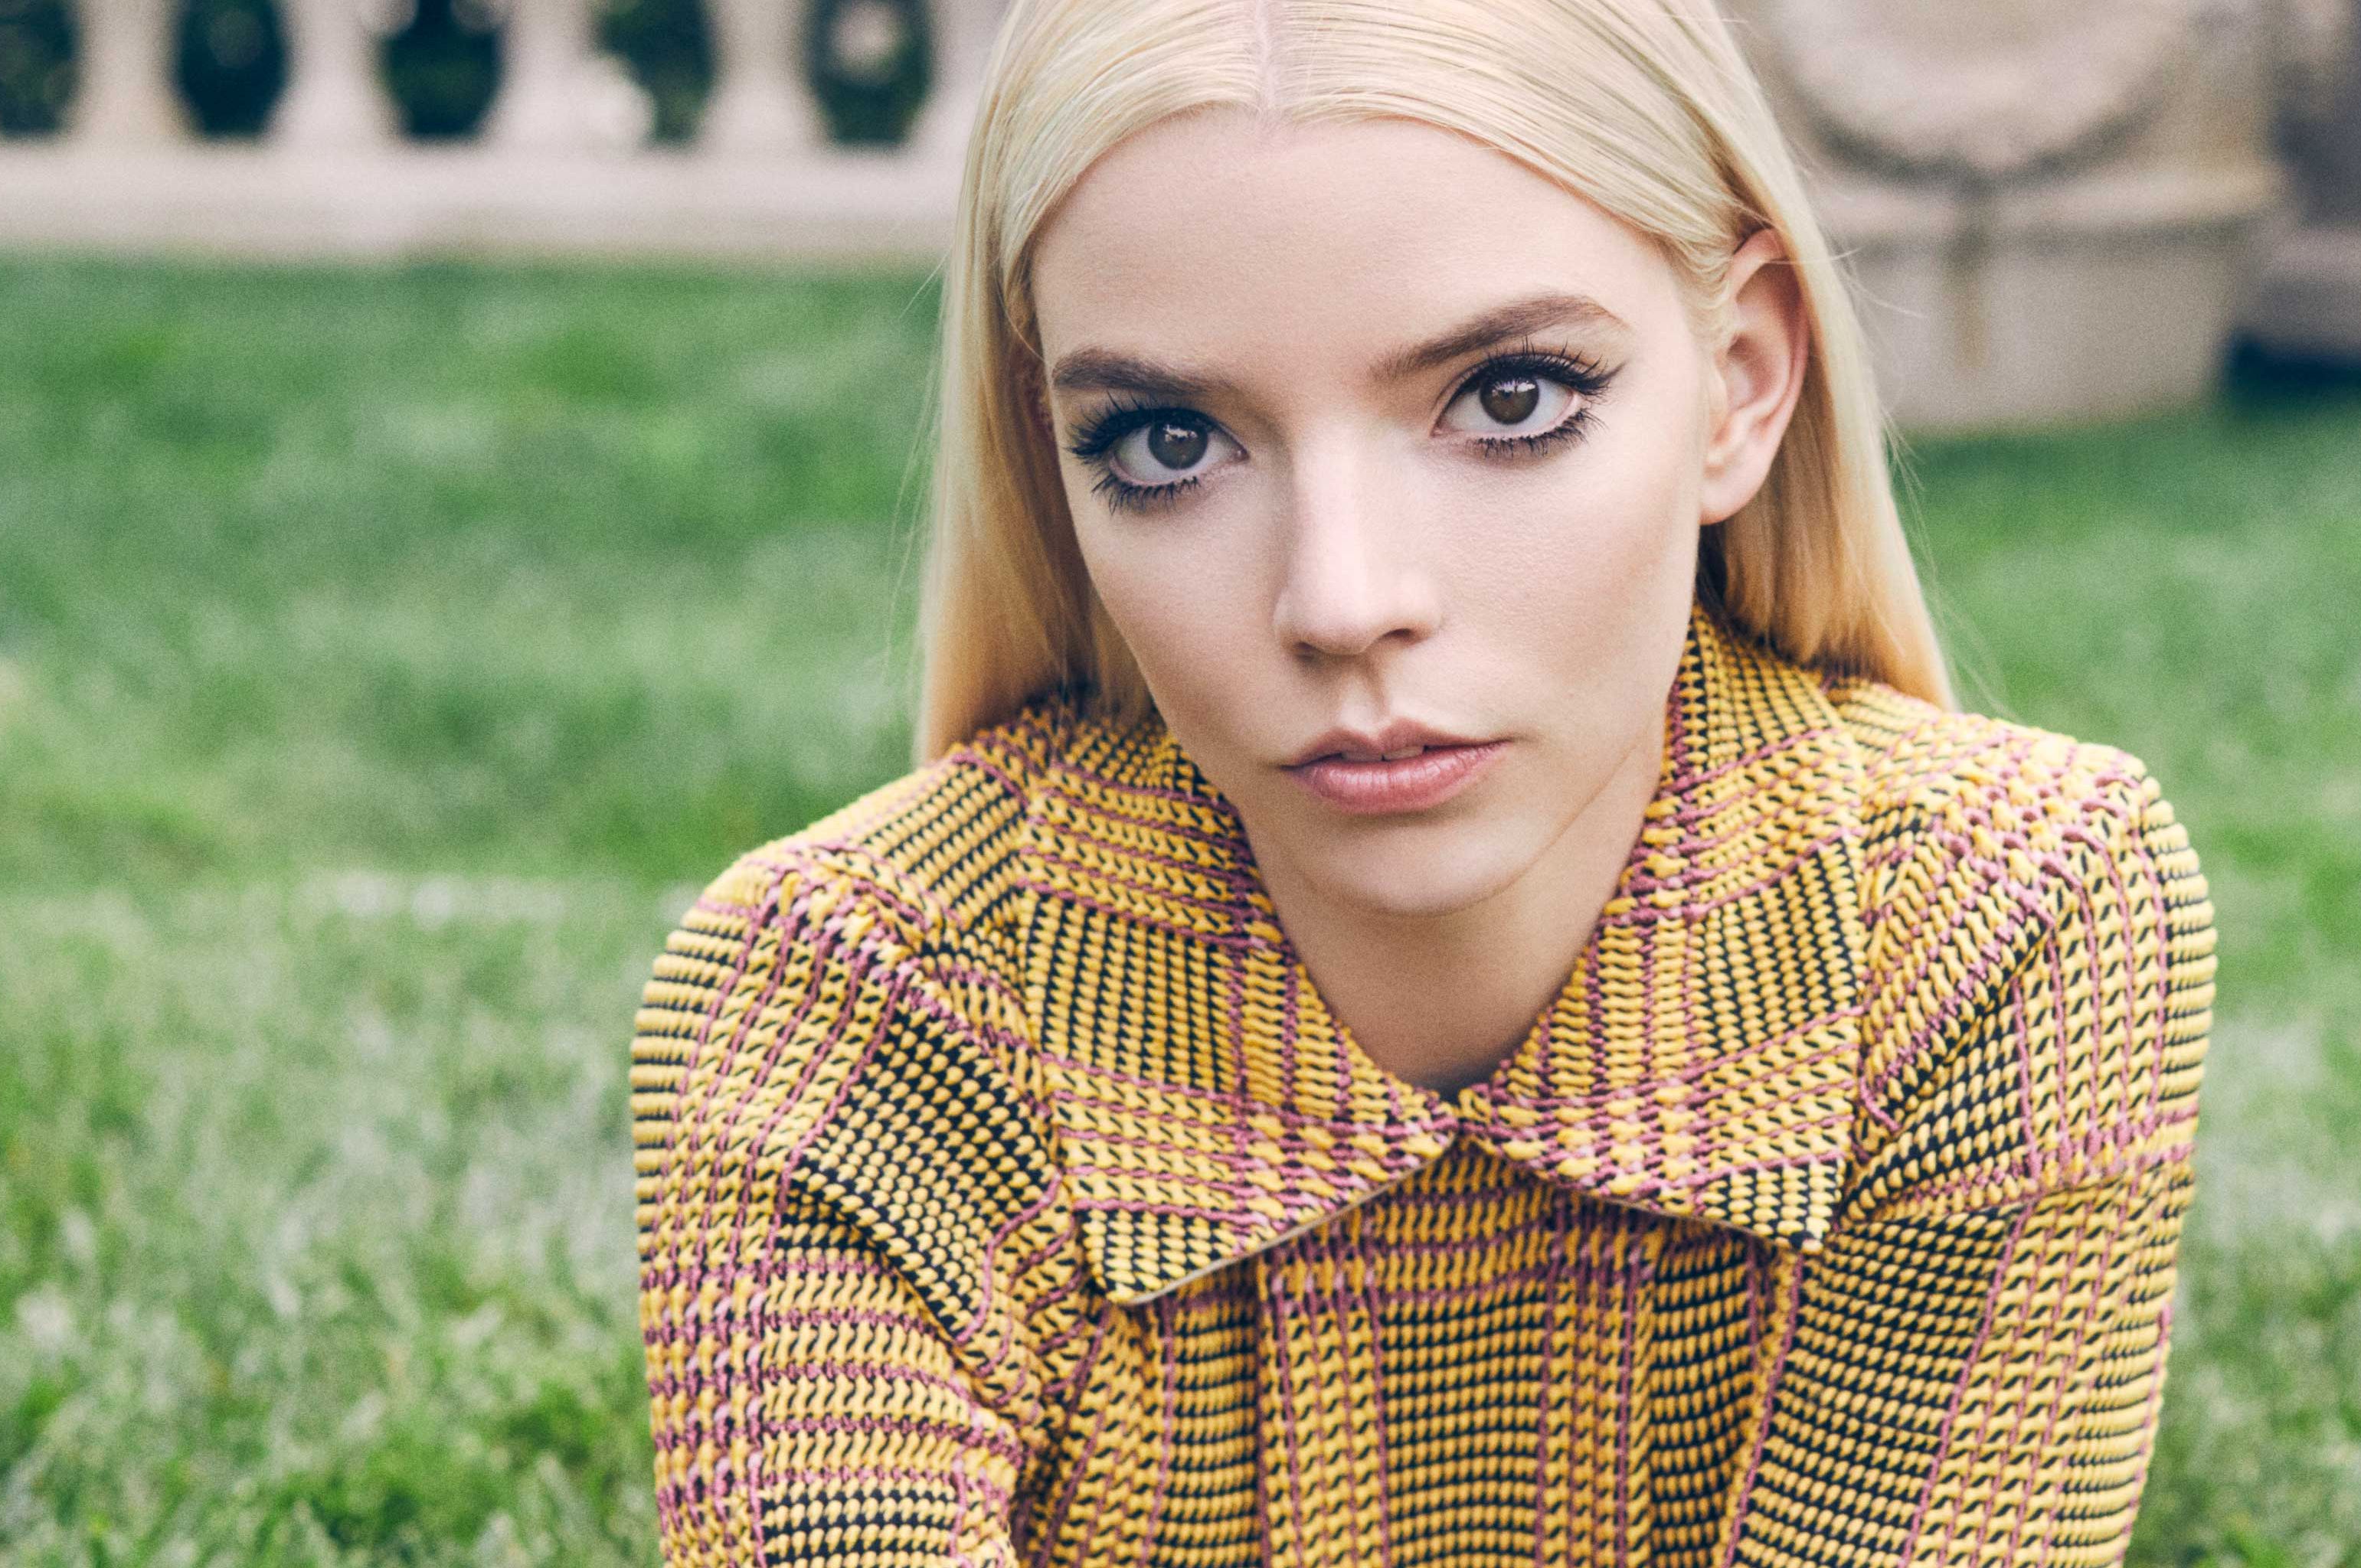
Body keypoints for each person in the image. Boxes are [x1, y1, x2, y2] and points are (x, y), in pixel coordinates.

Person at [626, 0, 2219, 1561]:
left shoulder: (1995, 916)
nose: (1341, 598)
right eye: (1170, 441)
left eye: (1509, 399)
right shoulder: (848, 1010)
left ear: (1740, 380)